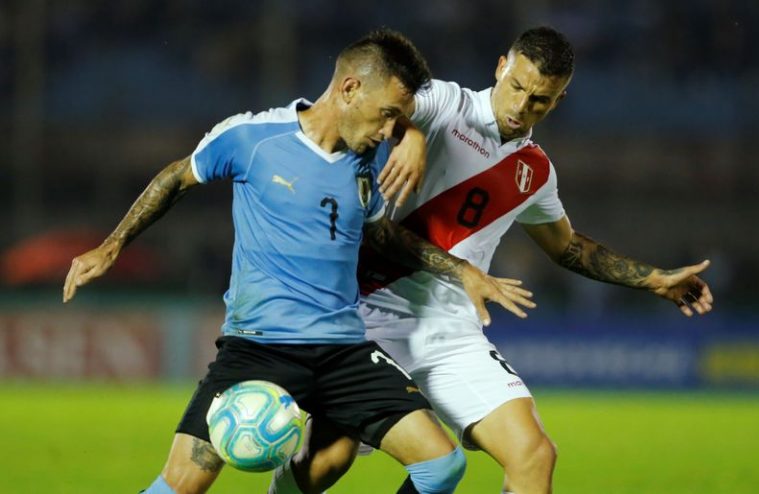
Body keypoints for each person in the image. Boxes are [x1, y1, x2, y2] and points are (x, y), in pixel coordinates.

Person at [62, 28, 535, 494]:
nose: (391, 130)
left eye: (398, 121)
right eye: (387, 115)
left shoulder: (365, 161)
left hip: (345, 351)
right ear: (349, 89)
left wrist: (463, 270)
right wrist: (112, 245)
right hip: (259, 347)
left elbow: (382, 235)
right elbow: (175, 178)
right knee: (180, 485)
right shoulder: (253, 138)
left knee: (443, 465)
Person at [272, 26, 715, 494]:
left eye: (540, 100)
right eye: (518, 87)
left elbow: (567, 247)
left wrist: (653, 280)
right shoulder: (445, 102)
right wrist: (412, 132)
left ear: (558, 101)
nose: (522, 106)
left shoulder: (535, 172)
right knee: (328, 460)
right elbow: (382, 102)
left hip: (452, 332)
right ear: (501, 68)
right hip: (369, 317)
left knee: (533, 455)